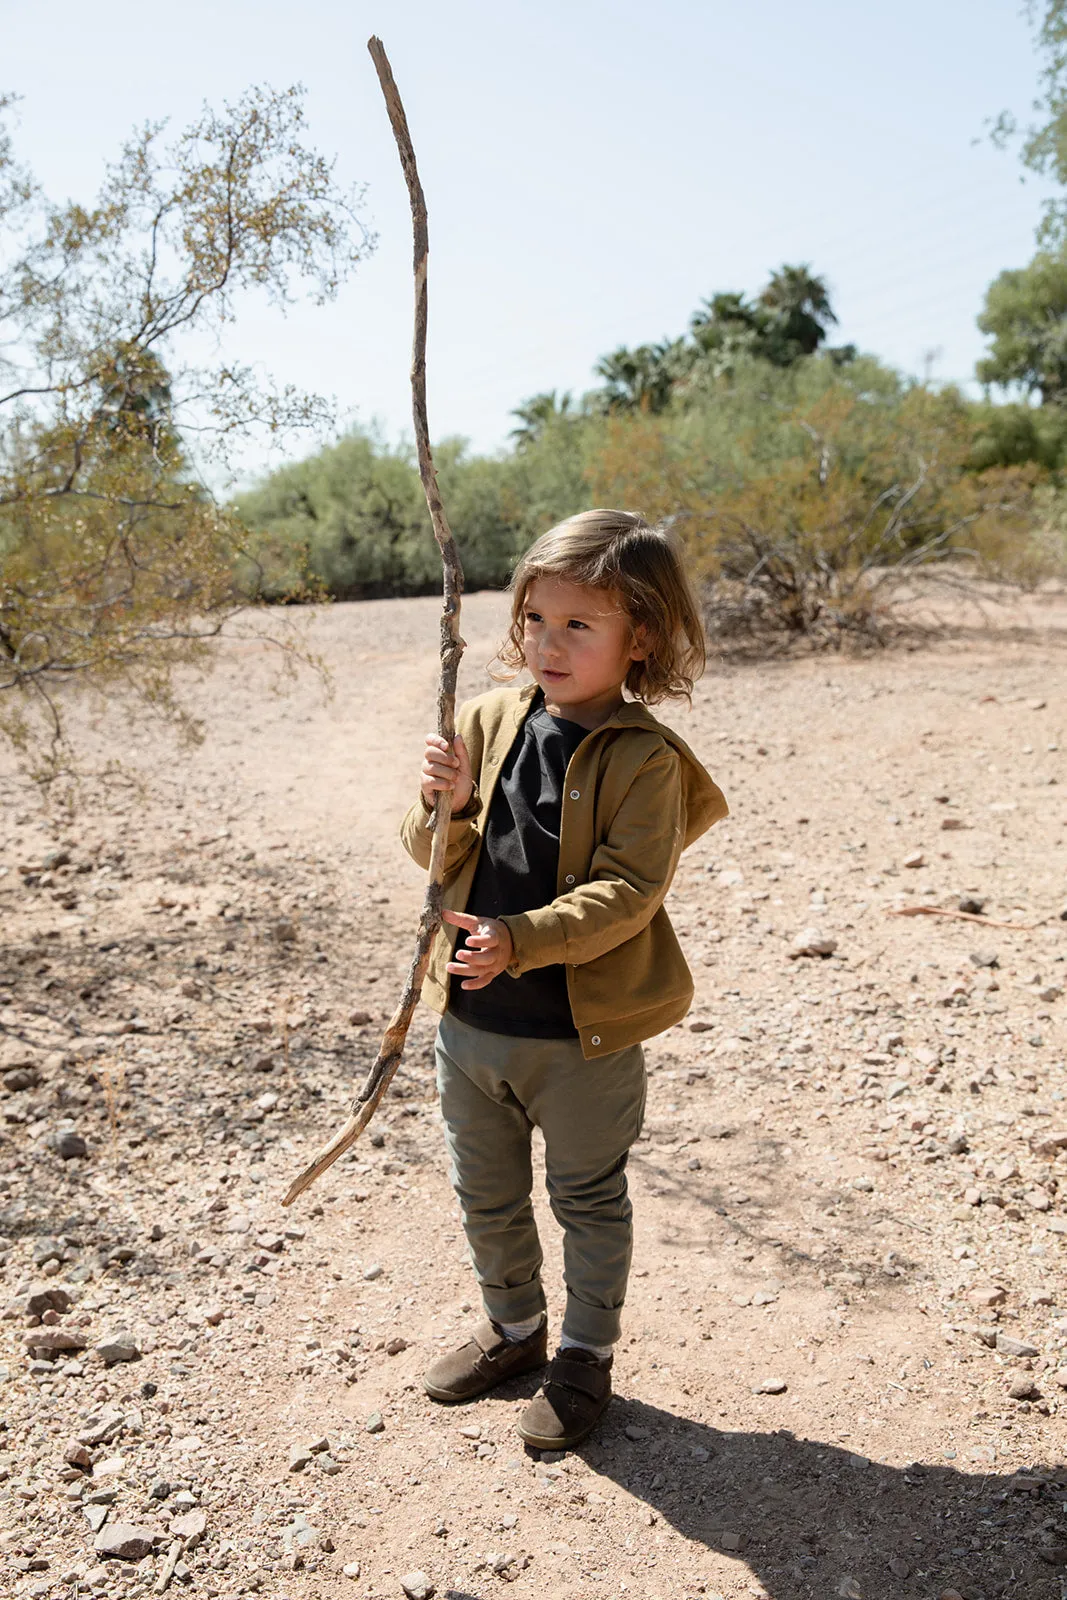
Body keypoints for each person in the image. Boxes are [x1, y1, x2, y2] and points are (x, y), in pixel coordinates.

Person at [400, 508, 728, 1450]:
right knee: (484, 1189)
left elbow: (628, 892)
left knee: (586, 1196)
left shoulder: (644, 760)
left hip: (582, 1040)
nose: (547, 642)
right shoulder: (485, 719)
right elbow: (426, 852)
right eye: (535, 619)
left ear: (642, 640)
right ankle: (513, 1330)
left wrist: (521, 937)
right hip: (469, 1023)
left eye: (578, 625)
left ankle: (584, 1356)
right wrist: (445, 806)